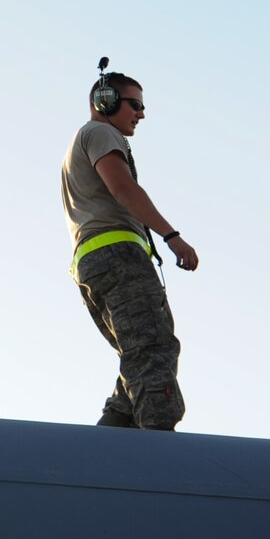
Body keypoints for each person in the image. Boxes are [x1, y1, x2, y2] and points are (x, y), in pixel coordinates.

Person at [59, 69, 199, 429]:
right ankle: (157, 453)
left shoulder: (82, 141)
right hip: (119, 258)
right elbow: (124, 189)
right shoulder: (101, 132)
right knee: (153, 352)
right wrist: (171, 236)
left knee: (137, 357)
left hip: (94, 264)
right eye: (134, 104)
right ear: (104, 102)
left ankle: (108, 445)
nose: (141, 113)